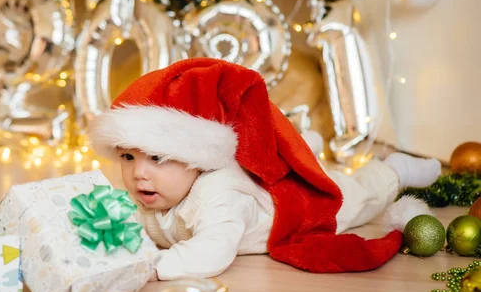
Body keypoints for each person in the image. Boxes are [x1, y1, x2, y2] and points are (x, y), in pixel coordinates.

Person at [88, 58, 441, 280]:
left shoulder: (219, 197)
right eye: (127, 158)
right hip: (260, 188)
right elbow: (130, 226)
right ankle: (312, 145)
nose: (138, 174)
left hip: (295, 205)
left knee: (357, 198)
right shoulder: (152, 192)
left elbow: (212, 252)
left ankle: (394, 171)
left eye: (157, 158)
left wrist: (150, 268)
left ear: (195, 158)